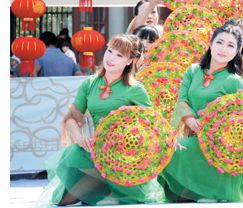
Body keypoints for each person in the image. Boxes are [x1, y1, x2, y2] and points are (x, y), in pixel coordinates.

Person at [43, 34, 165, 205]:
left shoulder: (135, 89)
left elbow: (152, 123)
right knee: (63, 200)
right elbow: (71, 117)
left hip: (123, 154)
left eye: (119, 55)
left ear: (129, 61)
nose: (111, 58)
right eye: (110, 51)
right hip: (95, 149)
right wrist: (79, 138)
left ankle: (109, 189)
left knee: (122, 198)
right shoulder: (90, 83)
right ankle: (103, 189)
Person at [158, 24, 243, 202]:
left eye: (230, 45)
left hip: (218, 144)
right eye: (219, 42)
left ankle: (211, 192)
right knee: (166, 147)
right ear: (211, 43)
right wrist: (190, 119)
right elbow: (182, 100)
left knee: (181, 150)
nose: (223, 49)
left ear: (237, 52)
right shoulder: (193, 71)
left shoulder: (234, 81)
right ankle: (193, 194)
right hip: (192, 134)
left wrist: (214, 130)